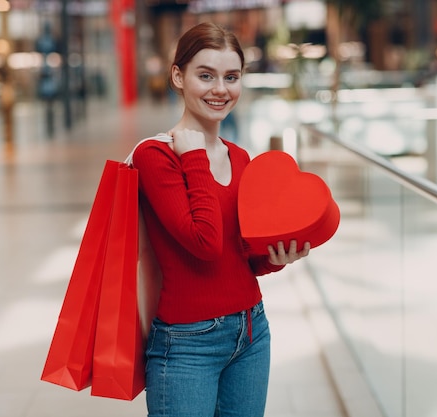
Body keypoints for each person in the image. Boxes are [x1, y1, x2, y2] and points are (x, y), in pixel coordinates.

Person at [131, 22, 310, 417]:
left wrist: (274, 259)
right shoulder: (156, 157)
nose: (220, 89)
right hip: (186, 343)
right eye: (205, 75)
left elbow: (240, 257)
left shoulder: (240, 158)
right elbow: (204, 243)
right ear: (178, 76)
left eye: (231, 77)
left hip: (251, 331)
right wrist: (194, 157)